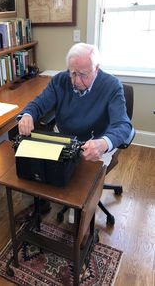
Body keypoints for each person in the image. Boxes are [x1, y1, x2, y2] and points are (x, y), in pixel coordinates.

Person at [17, 42, 132, 221]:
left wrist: (104, 143)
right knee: (36, 166)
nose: (76, 81)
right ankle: (41, 204)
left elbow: (123, 125)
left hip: (96, 142)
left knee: (78, 211)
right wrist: (27, 114)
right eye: (73, 73)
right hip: (64, 136)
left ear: (96, 68)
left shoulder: (112, 86)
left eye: (83, 75)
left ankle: (84, 230)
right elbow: (39, 103)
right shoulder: (60, 80)